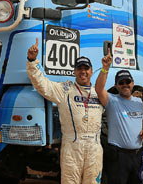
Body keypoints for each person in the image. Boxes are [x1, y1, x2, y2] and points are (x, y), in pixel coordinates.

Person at [26, 38, 104, 184]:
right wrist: (31, 61)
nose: (83, 72)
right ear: (74, 71)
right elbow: (42, 84)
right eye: (79, 68)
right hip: (72, 148)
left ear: (91, 71)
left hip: (94, 148)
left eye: (86, 68)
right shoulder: (65, 90)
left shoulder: (99, 93)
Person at [95, 50, 143, 184]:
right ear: (116, 85)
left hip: (137, 156)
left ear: (133, 82)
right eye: (121, 82)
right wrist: (105, 68)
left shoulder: (139, 102)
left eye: (128, 81)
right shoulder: (112, 100)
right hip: (118, 158)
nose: (125, 85)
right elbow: (99, 89)